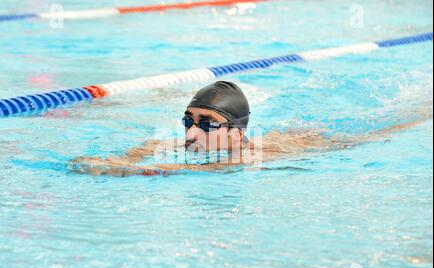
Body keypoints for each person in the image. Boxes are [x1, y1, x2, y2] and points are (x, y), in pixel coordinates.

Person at [71, 81, 432, 177]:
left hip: (320, 141)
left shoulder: (244, 157)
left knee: (395, 124)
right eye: (187, 121)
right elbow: (137, 153)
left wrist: (139, 172)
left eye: (207, 124)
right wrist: (106, 160)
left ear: (237, 132)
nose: (190, 134)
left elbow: (172, 170)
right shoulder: (182, 144)